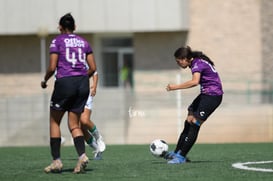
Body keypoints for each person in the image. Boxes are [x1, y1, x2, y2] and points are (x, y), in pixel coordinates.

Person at [41, 13, 96, 173]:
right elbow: (92, 68)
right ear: (75, 27)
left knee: (54, 122)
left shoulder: (57, 41)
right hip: (82, 83)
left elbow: (52, 67)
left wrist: (44, 81)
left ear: (60, 27)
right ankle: (82, 156)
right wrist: (80, 79)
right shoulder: (84, 42)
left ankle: (57, 161)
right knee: (74, 124)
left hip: (65, 83)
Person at [165, 46, 223, 164]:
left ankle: (182, 156)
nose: (178, 64)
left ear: (185, 58)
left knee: (195, 123)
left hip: (212, 97)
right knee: (188, 120)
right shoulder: (196, 62)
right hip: (205, 95)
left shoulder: (197, 64)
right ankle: (177, 152)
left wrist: (174, 87)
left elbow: (195, 82)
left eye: (178, 61)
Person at [80, 71, 106, 160]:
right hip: (71, 95)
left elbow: (94, 72)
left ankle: (98, 137)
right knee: (81, 128)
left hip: (85, 93)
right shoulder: (62, 64)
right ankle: (96, 149)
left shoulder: (82, 57)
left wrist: (94, 87)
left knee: (84, 120)